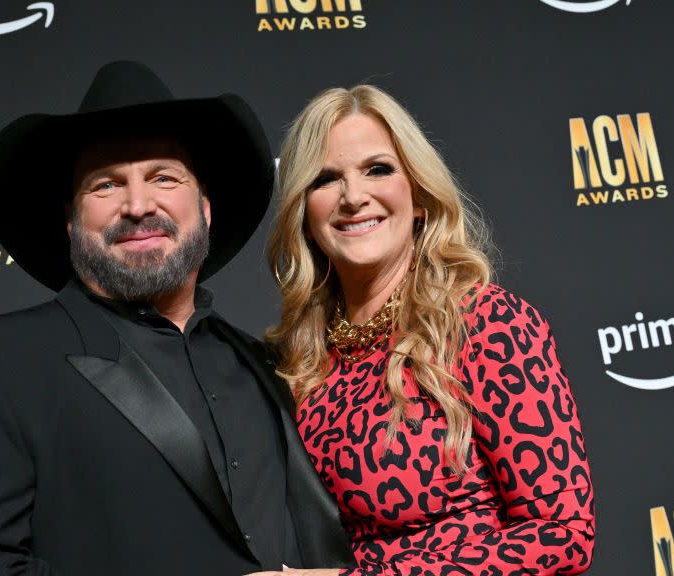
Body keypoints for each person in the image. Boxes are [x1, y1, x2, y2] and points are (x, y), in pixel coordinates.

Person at [0, 61, 354, 576]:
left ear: (205, 208)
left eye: (164, 177)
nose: (138, 204)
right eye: (106, 185)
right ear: (71, 220)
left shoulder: (271, 367)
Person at [253, 85, 596, 576]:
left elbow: (564, 535)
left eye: (377, 169)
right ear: (305, 215)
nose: (354, 197)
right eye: (325, 179)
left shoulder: (488, 324)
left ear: (417, 195)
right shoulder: (302, 357)